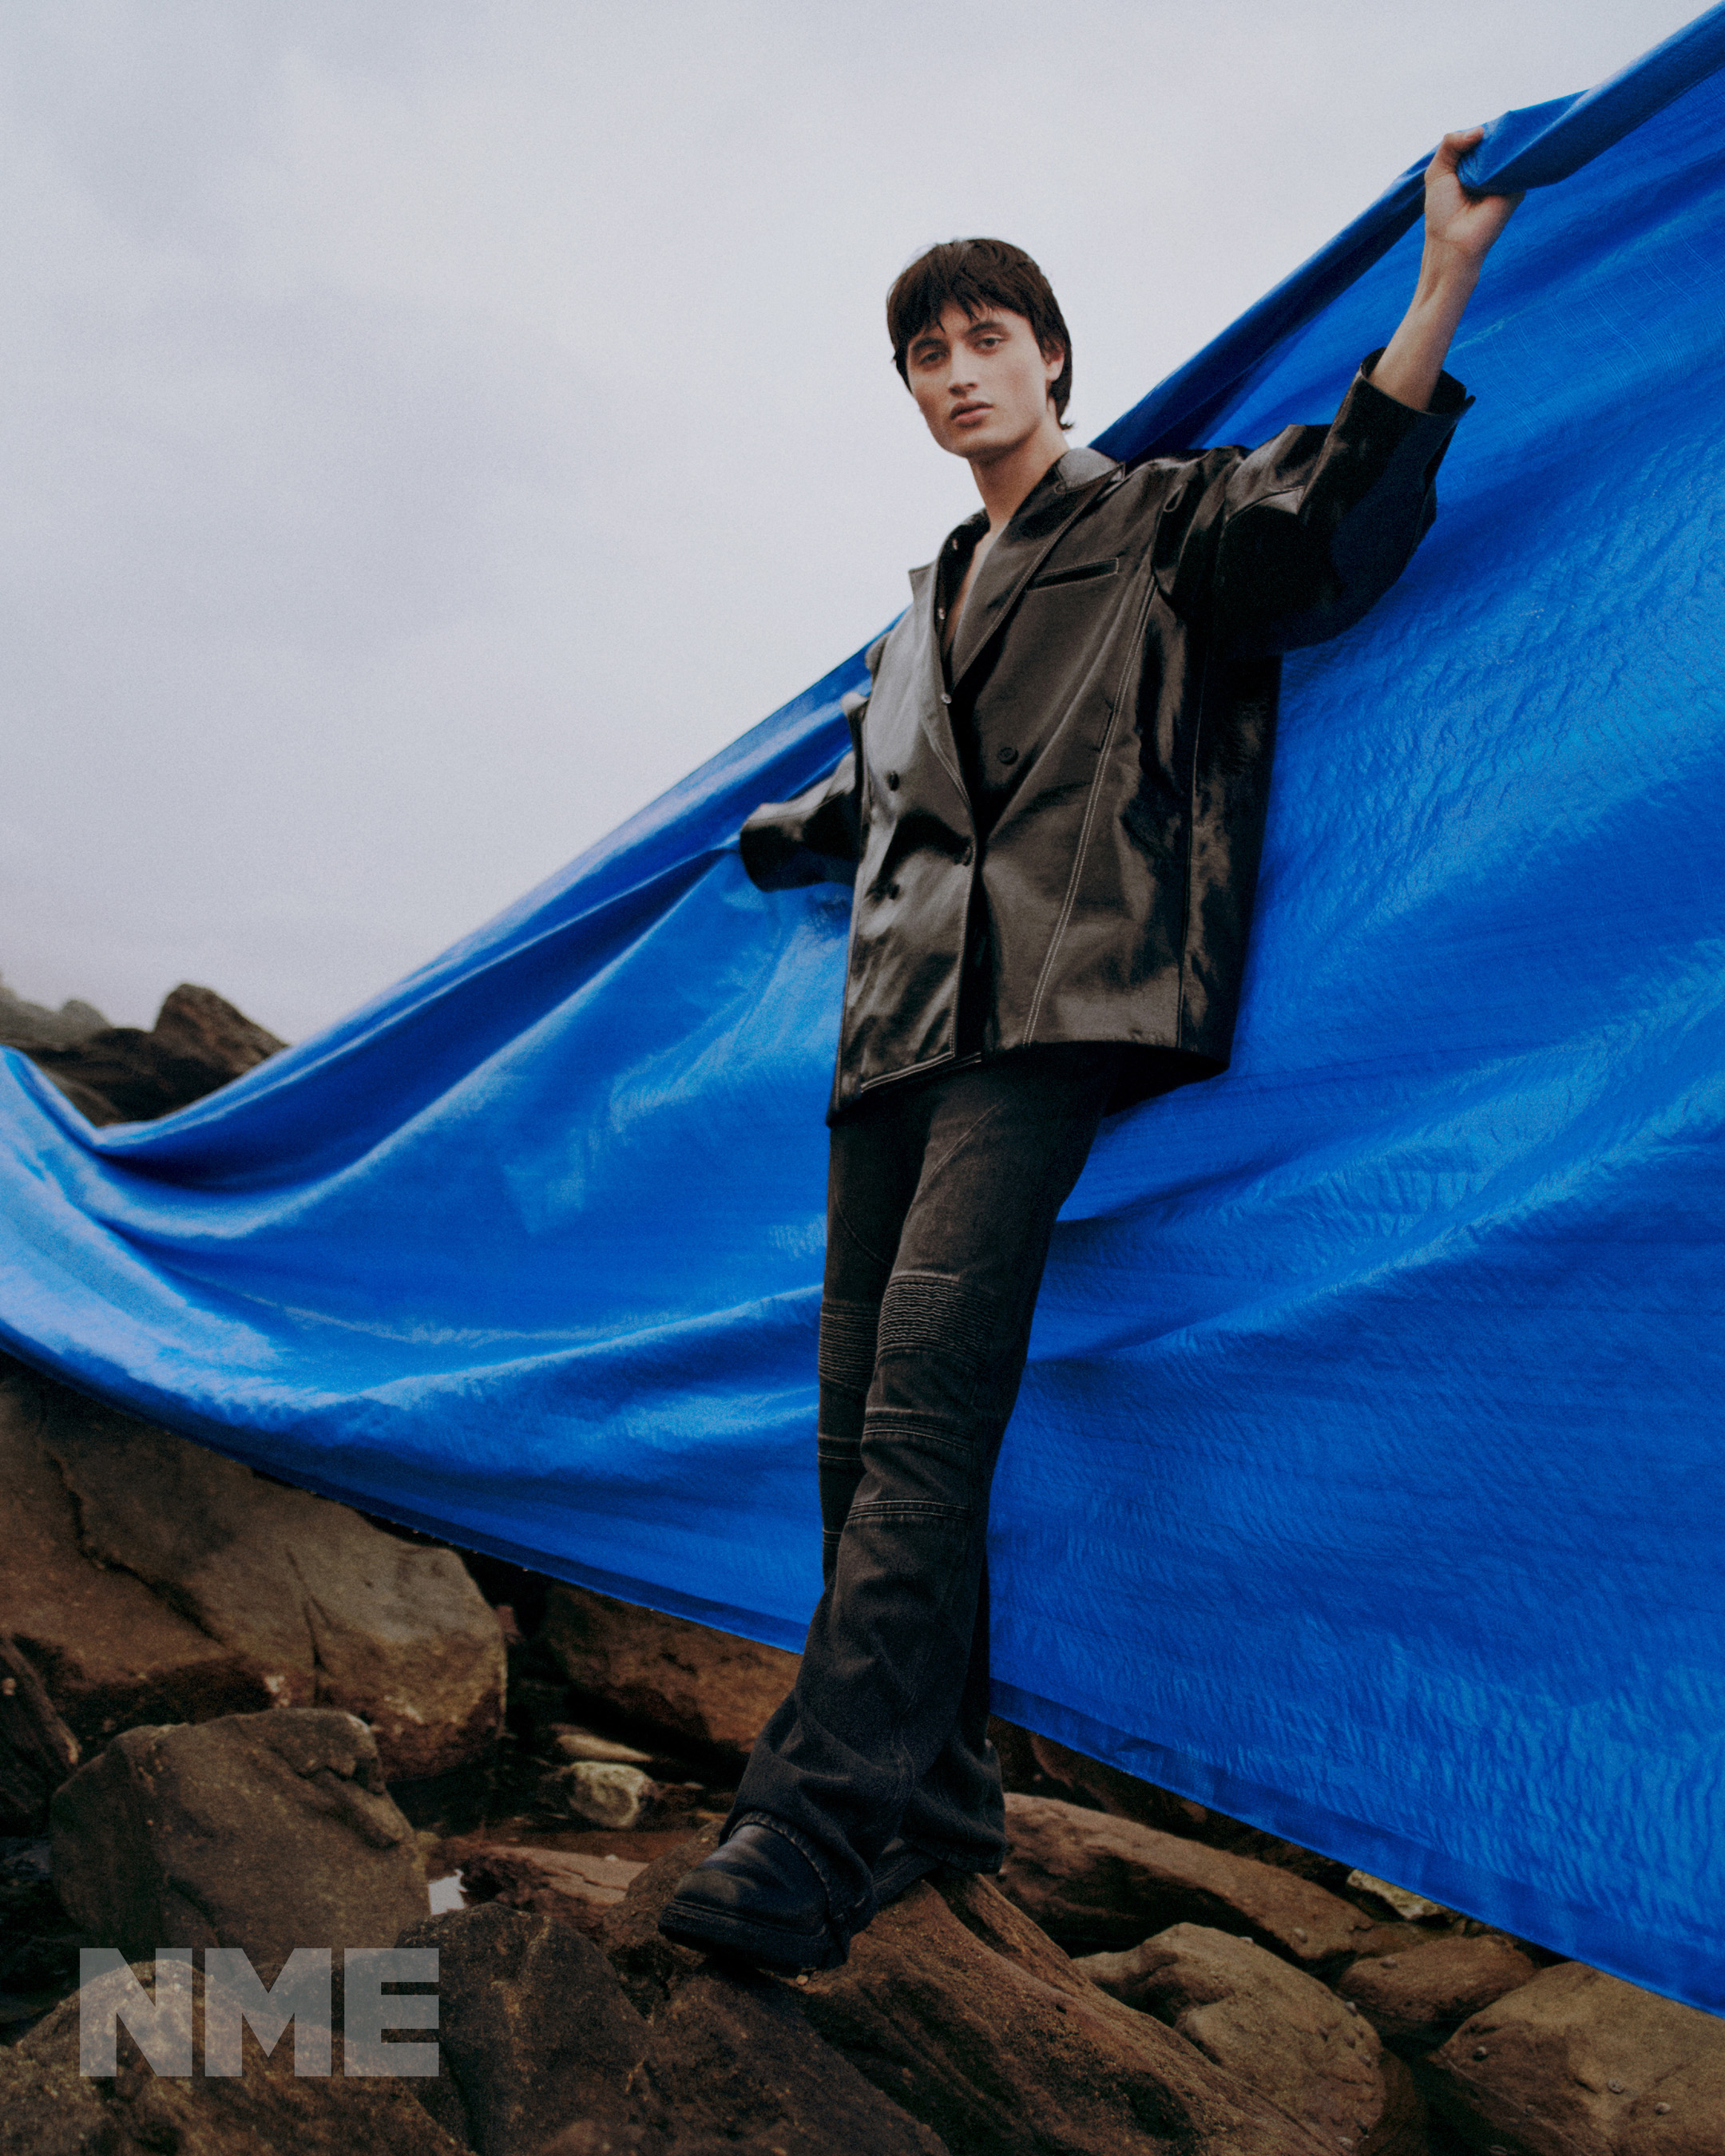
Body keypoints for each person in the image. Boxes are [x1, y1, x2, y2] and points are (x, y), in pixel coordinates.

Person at [660, 129, 1520, 1975]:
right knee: (846, 1436)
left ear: (1055, 354)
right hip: (891, 1031)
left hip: (1055, 1010)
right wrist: (760, 837)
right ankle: (939, 1794)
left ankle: (807, 1834)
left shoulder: (1157, 518)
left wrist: (1438, 284)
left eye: (986, 335)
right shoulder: (907, 625)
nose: (956, 369)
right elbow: (864, 807)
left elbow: (1325, 523)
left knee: (920, 1423)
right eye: (924, 353)